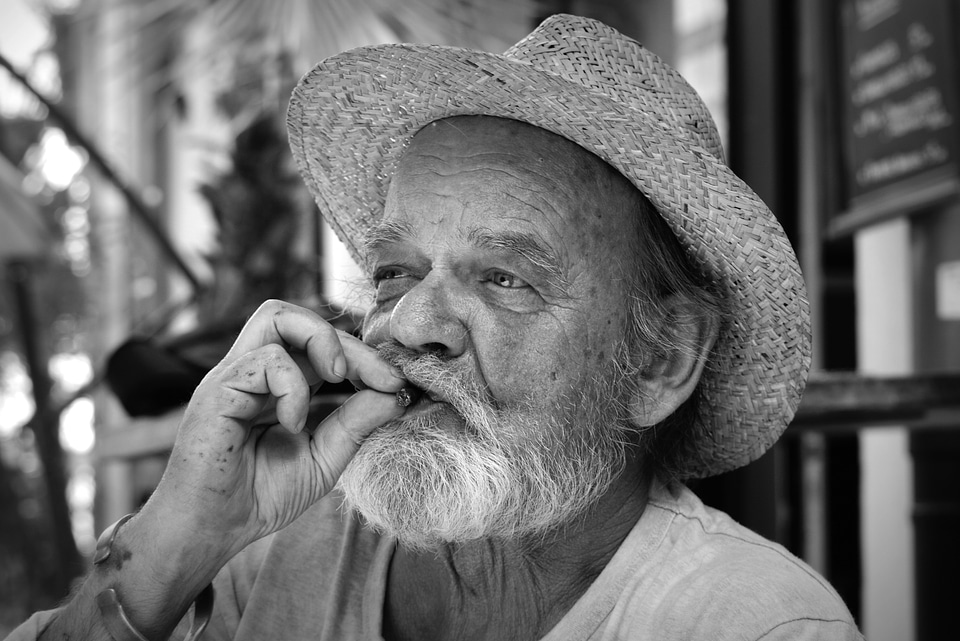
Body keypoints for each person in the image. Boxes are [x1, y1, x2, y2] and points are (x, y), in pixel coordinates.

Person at [8, 13, 863, 641]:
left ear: (659, 361)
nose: (410, 324)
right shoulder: (273, 549)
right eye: (395, 272)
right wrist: (180, 534)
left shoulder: (752, 623)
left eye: (505, 277)